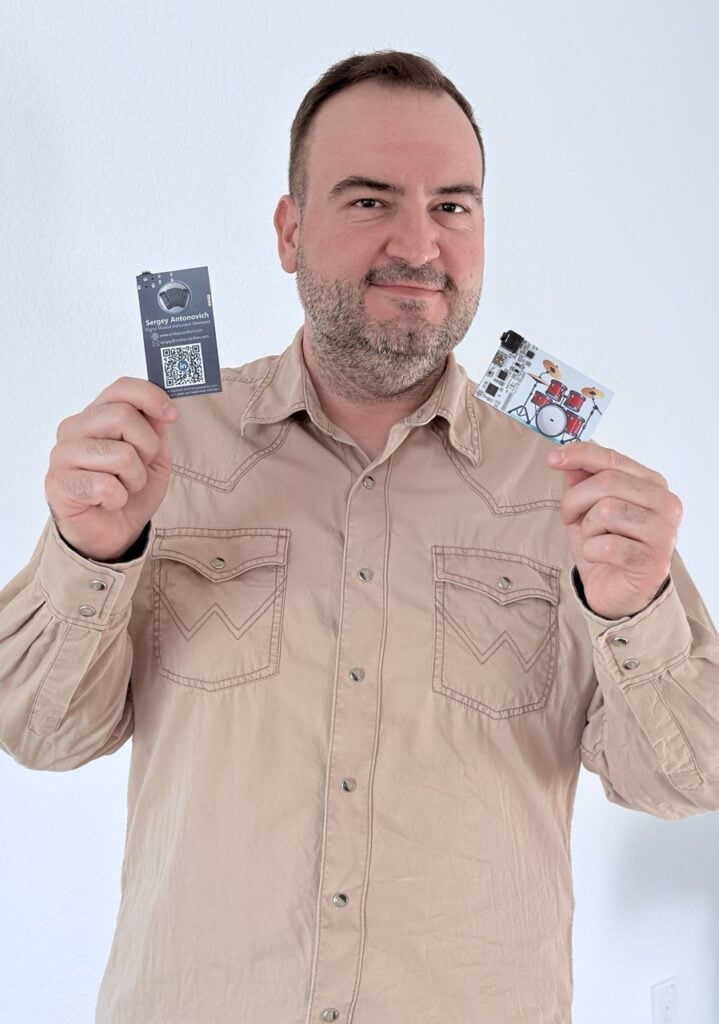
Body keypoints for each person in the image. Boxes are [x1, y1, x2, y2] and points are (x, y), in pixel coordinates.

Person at [1, 49, 718, 1024]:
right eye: (370, 200)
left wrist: (634, 612)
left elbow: (686, 780)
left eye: (451, 205)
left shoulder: (570, 488)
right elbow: (39, 733)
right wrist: (90, 554)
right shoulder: (167, 449)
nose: (417, 244)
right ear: (290, 231)